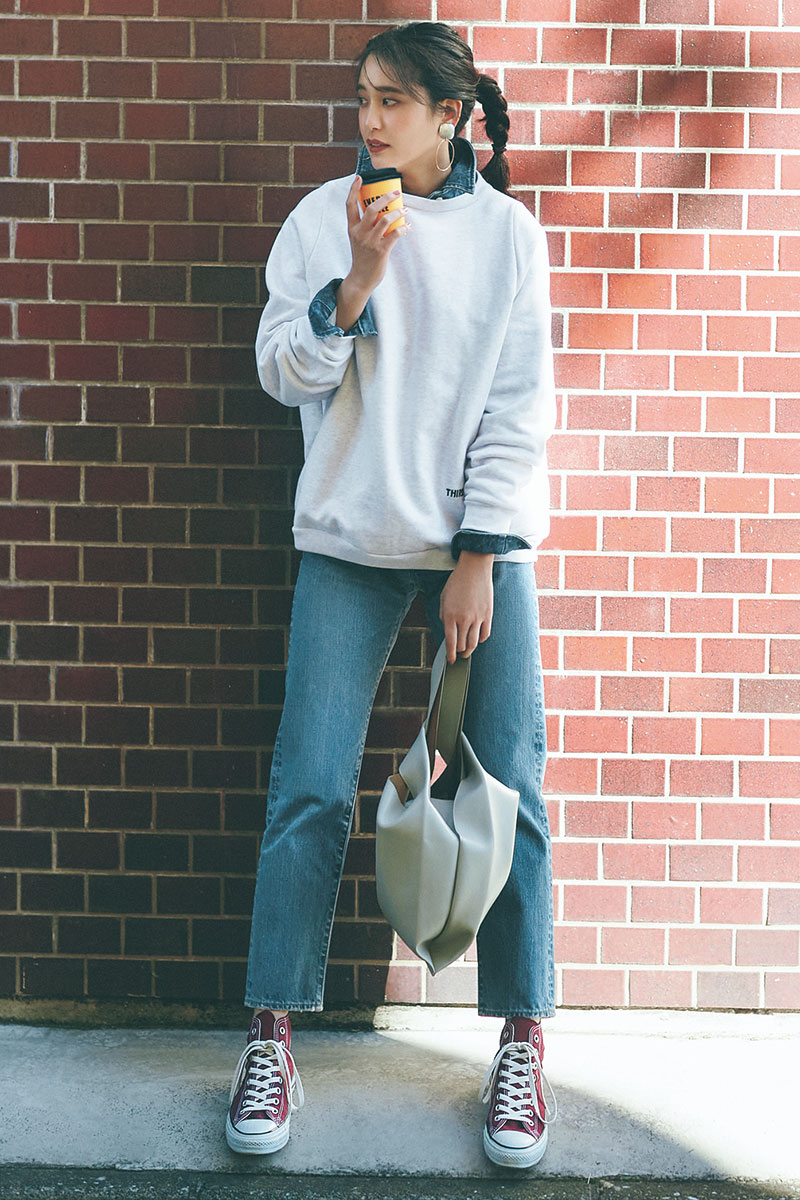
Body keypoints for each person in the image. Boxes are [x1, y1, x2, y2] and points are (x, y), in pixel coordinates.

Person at [224, 20, 557, 1170]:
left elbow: (518, 408)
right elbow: (281, 371)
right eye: (362, 96)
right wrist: (356, 283)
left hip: (473, 550)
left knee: (507, 788)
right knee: (308, 788)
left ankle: (521, 1042)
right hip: (348, 540)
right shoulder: (326, 219)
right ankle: (270, 1033)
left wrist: (478, 554)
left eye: (393, 101)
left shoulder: (507, 238)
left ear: (449, 116)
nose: (368, 119)